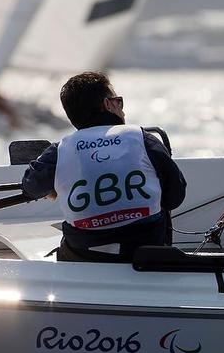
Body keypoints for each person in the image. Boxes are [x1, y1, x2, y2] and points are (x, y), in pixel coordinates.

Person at [22, 71, 187, 262]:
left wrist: (52, 187)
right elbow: (175, 197)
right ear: (107, 105)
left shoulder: (60, 150)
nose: (122, 109)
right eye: (118, 101)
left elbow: (31, 187)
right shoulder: (141, 138)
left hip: (84, 255)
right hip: (144, 252)